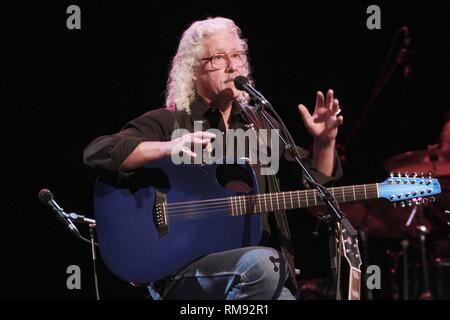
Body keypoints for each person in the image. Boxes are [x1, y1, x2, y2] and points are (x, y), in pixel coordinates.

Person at [84, 17, 343, 300]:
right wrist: (168, 148)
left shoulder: (261, 125)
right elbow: (98, 153)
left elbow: (316, 195)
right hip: (185, 271)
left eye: (238, 55)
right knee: (263, 266)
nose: (233, 66)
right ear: (192, 70)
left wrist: (324, 142)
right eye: (219, 58)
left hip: (259, 276)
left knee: (269, 271)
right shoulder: (172, 122)